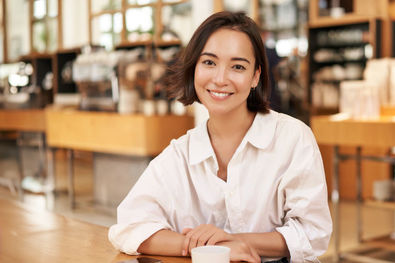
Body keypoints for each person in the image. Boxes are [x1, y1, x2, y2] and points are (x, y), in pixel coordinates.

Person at [108, 11, 331, 263]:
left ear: (255, 76)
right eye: (209, 63)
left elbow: (313, 234)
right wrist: (200, 247)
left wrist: (231, 241)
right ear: (194, 68)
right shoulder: (180, 154)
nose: (220, 79)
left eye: (237, 66)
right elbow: (128, 228)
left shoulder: (292, 138)